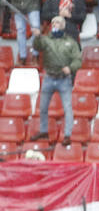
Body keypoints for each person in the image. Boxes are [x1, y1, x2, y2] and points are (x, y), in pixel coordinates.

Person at [32, 15, 80, 145]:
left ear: (63, 25)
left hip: (64, 79)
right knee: (42, 107)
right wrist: (37, 36)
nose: (55, 24)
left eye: (58, 22)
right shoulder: (46, 39)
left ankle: (67, 135)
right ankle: (43, 130)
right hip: (49, 77)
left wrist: (71, 68)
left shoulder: (70, 42)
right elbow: (37, 46)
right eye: (53, 22)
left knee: (67, 108)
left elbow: (77, 59)